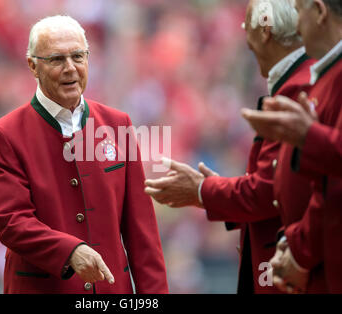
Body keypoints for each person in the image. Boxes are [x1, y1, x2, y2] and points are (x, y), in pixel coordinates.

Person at [0, 15, 168, 294]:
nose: (70, 68)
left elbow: (142, 234)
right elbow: (12, 223)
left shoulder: (119, 125)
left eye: (78, 57)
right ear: (33, 65)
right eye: (57, 59)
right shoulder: (3, 136)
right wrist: (71, 251)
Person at [145, 0, 314, 294]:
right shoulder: (298, 81)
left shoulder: (299, 88)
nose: (244, 34)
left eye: (246, 25)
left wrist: (202, 191)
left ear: (265, 30)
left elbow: (268, 193)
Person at [242, 0, 342, 293]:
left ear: (320, 12)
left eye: (300, 11)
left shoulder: (323, 80)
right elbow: (321, 188)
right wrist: (296, 245)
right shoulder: (327, 77)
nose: (297, 26)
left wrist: (299, 251)